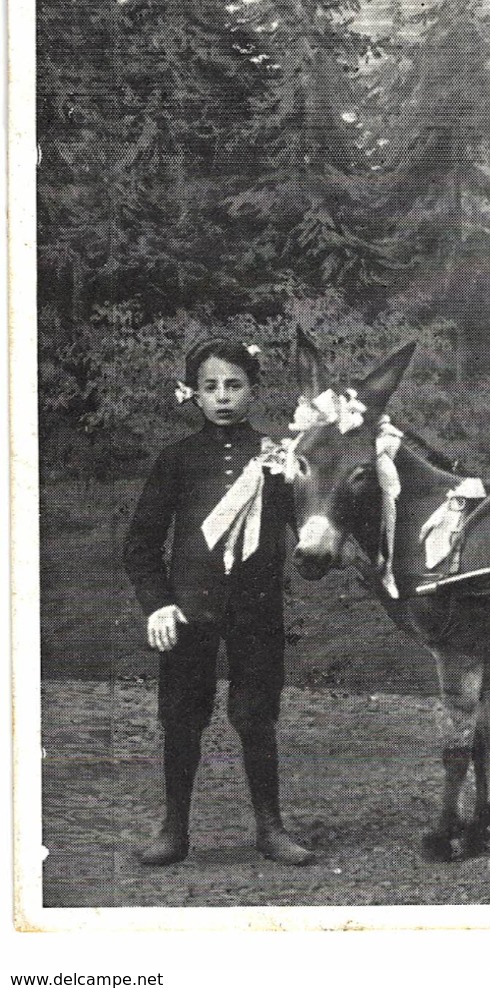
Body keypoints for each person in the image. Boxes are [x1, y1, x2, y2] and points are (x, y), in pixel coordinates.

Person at [122, 339, 312, 866]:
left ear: (253, 391)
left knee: (257, 717)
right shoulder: (178, 459)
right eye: (211, 387)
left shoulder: (280, 458)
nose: (223, 397)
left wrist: (304, 508)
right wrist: (158, 605)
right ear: (193, 394)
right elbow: (140, 544)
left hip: (256, 612)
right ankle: (174, 830)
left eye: (234, 385)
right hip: (189, 612)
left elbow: (306, 534)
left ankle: (270, 829)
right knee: (182, 719)